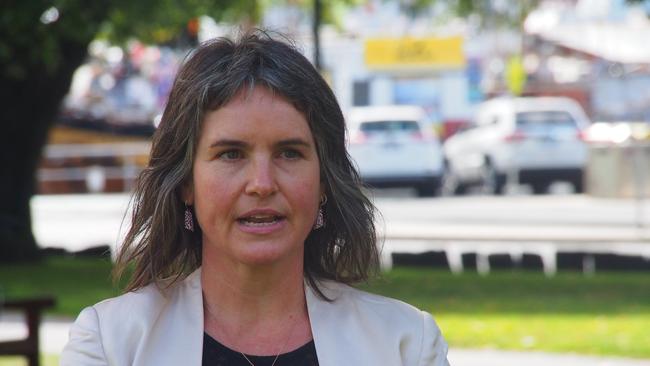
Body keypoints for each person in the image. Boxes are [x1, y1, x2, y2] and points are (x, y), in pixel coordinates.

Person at [61, 31, 449, 366]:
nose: (262, 184)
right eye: (231, 154)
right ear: (185, 183)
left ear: (325, 181)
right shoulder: (111, 346)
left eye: (289, 153)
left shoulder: (405, 346)